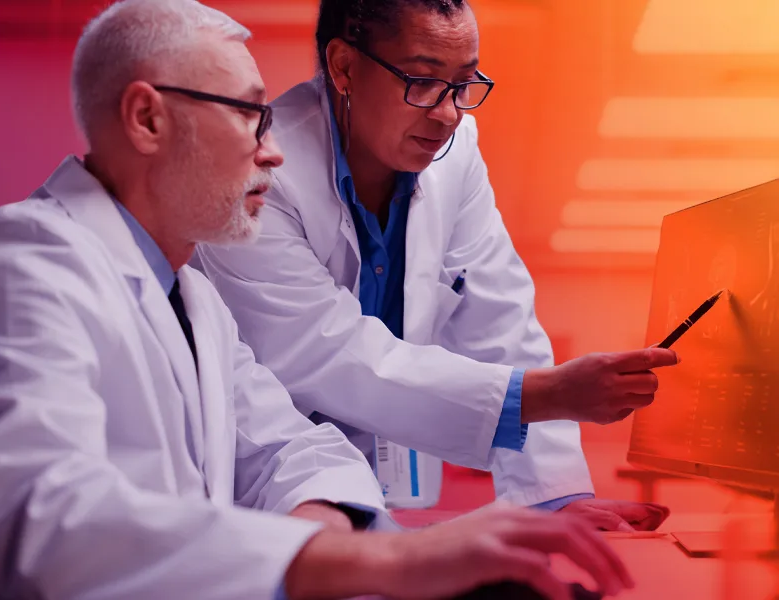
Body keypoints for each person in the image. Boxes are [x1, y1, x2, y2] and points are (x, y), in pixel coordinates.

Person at [0, 1, 635, 599]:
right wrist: (377, 563)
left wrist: (322, 534)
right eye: (247, 116)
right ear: (148, 119)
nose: (273, 153)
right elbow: (33, 523)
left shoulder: (194, 301)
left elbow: (292, 448)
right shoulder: (24, 262)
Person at [196, 0, 677, 529]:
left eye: (463, 85)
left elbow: (500, 318)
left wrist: (555, 496)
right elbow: (319, 349)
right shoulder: (263, 167)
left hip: (387, 483)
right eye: (422, 81)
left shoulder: (454, 155)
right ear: (344, 67)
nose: (448, 113)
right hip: (269, 484)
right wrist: (547, 394)